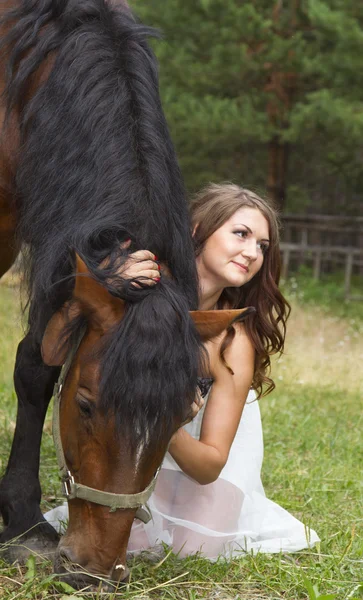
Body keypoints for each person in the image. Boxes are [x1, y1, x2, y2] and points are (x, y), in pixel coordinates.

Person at [45, 183, 320, 558]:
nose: (253, 252)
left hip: (187, 449)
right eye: (241, 234)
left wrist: (166, 422)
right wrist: (100, 283)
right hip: (131, 446)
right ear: (197, 230)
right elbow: (50, 352)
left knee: (199, 547)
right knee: (132, 542)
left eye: (262, 246)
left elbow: (209, 466)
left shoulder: (232, 340)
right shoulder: (136, 282)